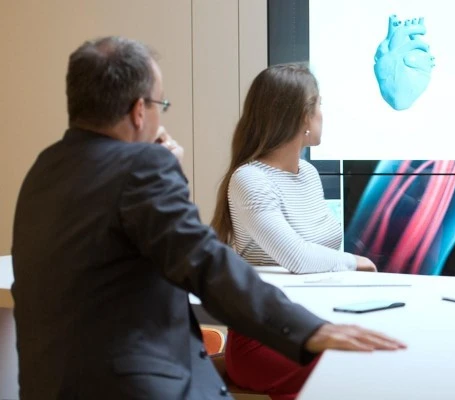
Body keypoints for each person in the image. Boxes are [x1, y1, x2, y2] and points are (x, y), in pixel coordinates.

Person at [11, 36, 404, 399]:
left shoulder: (43, 170)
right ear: (139, 111)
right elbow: (203, 262)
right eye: (161, 105)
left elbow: (136, 245)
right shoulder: (145, 167)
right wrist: (308, 331)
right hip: (134, 387)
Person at [208, 63, 380, 398]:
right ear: (303, 117)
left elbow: (317, 254)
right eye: (319, 105)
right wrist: (353, 261)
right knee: (359, 369)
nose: (323, 114)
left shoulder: (309, 175)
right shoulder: (249, 179)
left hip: (315, 324)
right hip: (266, 340)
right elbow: (297, 257)